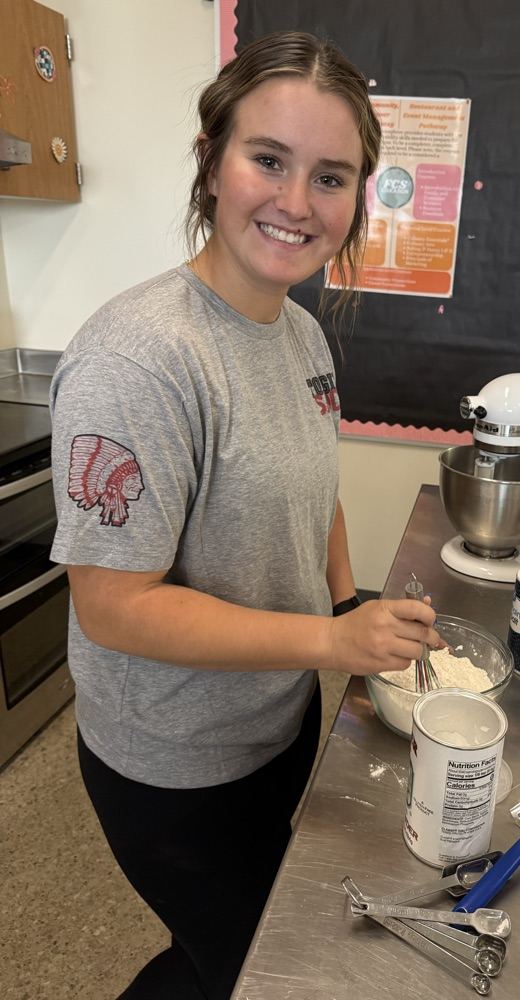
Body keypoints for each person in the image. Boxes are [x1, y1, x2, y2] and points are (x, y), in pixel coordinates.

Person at [49, 30, 439, 1000]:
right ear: (211, 161)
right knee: (262, 970)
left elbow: (318, 491)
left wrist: (353, 607)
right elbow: (115, 606)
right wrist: (329, 639)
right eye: (269, 159)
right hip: (173, 761)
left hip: (275, 722)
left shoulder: (300, 330)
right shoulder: (141, 358)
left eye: (332, 176)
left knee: (248, 944)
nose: (297, 202)